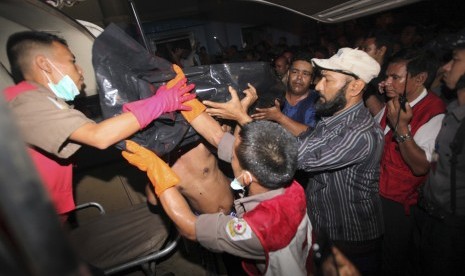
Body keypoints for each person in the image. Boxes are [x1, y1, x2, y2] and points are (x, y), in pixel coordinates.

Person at [203, 48, 385, 275]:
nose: (317, 86)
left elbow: (296, 158)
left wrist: (242, 117)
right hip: (324, 228)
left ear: (356, 87)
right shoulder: (334, 117)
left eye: (327, 79)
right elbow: (302, 143)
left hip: (350, 237)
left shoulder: (360, 133)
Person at [2, 31, 196, 221]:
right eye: (72, 61)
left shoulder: (42, 101)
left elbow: (100, 129)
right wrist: (161, 103)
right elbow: (98, 136)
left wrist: (151, 102)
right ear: (44, 64)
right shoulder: (25, 100)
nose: (80, 70)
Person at [122, 120, 312, 275]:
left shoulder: (255, 230)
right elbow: (220, 140)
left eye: (233, 159)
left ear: (246, 177)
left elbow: (190, 228)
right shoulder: (291, 185)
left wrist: (157, 172)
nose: (230, 155)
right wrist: (191, 106)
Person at [376, 49, 446, 275]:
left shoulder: (436, 112)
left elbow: (421, 166)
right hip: (377, 193)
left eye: (395, 77)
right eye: (386, 76)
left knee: (393, 263)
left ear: (420, 78)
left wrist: (402, 128)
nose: (387, 82)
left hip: (400, 204)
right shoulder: (394, 100)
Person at [413, 42, 465, 276]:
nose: (445, 67)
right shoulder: (453, 109)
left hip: (453, 230)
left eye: (454, 60)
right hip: (430, 218)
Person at [253, 51, 319, 136]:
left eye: (305, 74)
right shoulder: (273, 95)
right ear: (288, 74)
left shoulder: (318, 101)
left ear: (311, 80)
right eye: (295, 72)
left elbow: (313, 136)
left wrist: (279, 117)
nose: (299, 78)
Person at [362, 31, 393, 119]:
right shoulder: (368, 73)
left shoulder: (387, 78)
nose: (362, 53)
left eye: (367, 49)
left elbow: (380, 114)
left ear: (381, 50)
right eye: (362, 49)